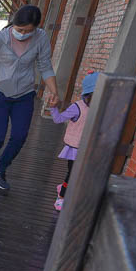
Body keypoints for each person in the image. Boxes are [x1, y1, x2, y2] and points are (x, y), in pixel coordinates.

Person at [0, 4, 59, 195]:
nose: (24, 34)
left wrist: (54, 91)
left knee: (19, 136)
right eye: (20, 30)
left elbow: (45, 66)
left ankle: (0, 170)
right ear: (14, 25)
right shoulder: (0, 39)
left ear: (36, 28)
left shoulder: (41, 38)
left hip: (24, 95)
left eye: (28, 31)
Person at [51, 71, 98, 211]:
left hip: (89, 147)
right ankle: (61, 197)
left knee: (80, 174)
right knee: (72, 174)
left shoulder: (99, 108)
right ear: (89, 94)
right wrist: (53, 107)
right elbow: (58, 119)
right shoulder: (77, 108)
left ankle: (64, 187)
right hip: (76, 149)